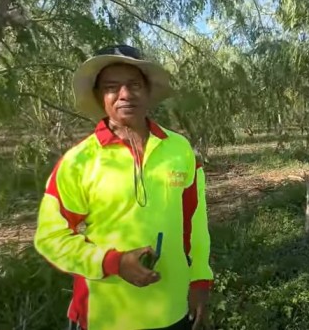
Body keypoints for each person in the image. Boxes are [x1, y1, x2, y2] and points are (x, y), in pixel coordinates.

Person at [33, 45, 213, 330]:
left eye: (134, 85)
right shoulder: (79, 161)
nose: (125, 95)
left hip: (173, 310)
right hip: (104, 317)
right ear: (99, 96)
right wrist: (113, 263)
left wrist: (200, 279)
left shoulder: (179, 150)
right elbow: (50, 238)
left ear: (148, 91)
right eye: (112, 87)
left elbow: (195, 221)